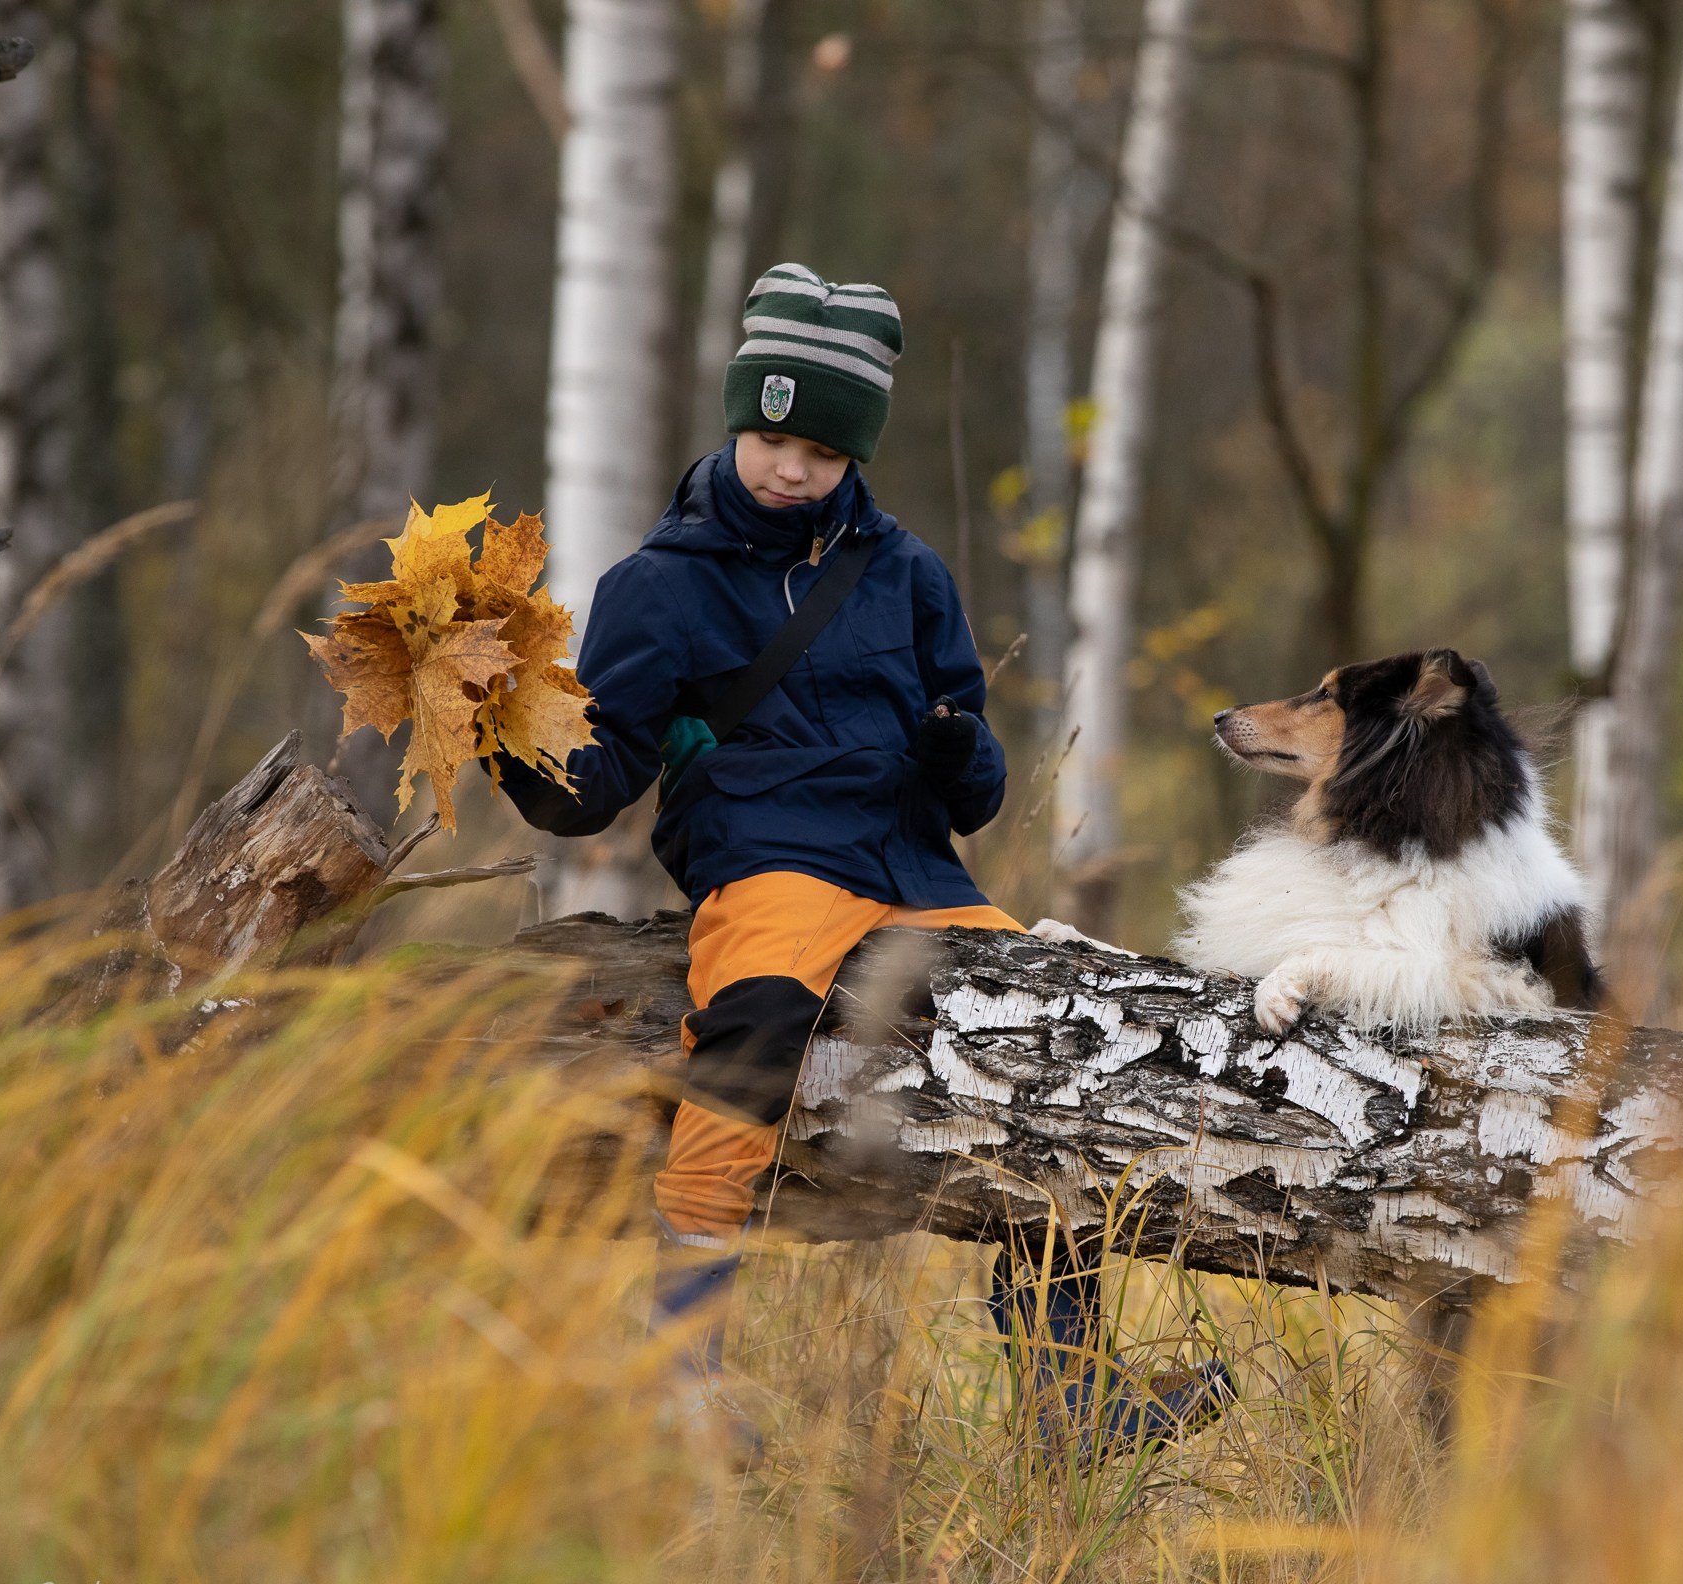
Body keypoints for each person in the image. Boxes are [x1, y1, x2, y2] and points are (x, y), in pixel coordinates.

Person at [493, 263, 1230, 1456]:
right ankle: (684, 1363)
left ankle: (1070, 1393)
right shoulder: (655, 589)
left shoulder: (909, 574)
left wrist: (955, 751)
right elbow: (589, 791)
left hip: (920, 876)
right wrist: (503, 729)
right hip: (769, 858)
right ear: (739, 416)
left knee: (1062, 1045)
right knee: (754, 1027)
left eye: (822, 453)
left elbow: (979, 794)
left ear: (855, 457)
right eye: (772, 435)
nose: (790, 468)